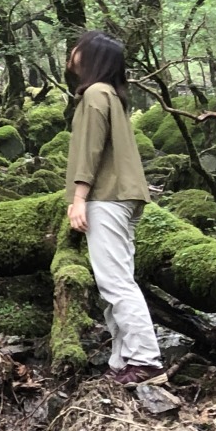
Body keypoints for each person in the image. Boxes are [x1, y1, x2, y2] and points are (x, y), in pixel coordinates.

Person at [64, 30, 166, 387]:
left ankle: (146, 360)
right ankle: (123, 360)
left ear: (89, 57)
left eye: (78, 47)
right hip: (125, 196)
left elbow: (90, 150)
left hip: (106, 196)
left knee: (115, 282)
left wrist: (79, 199)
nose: (72, 51)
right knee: (115, 279)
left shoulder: (94, 94)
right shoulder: (111, 95)